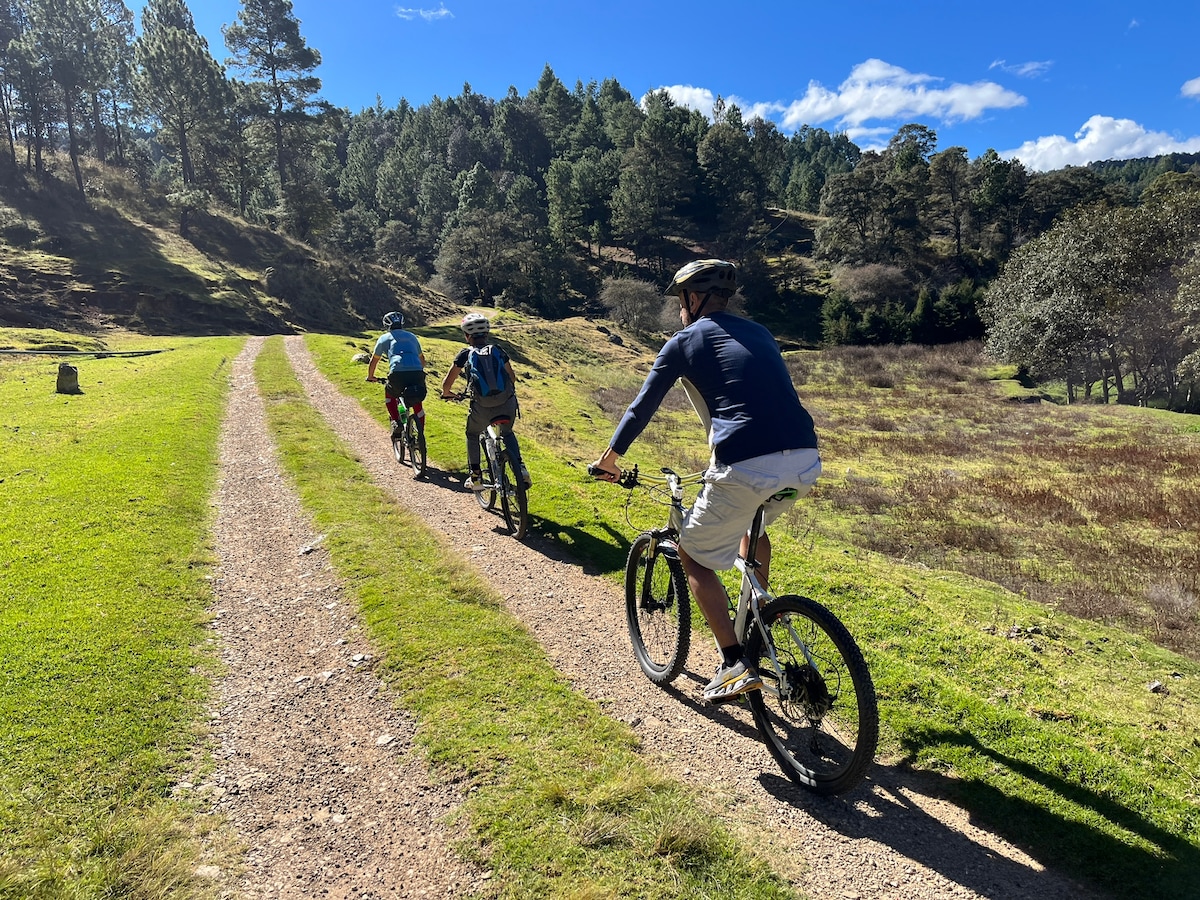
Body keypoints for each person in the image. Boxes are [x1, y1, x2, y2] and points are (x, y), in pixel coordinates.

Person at [590, 259, 821, 703]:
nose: (680, 309)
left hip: (744, 464)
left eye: (681, 300)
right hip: (805, 460)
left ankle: (735, 660)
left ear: (693, 299)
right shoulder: (761, 333)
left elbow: (642, 407)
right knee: (752, 530)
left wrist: (610, 459)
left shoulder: (684, 341)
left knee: (692, 555)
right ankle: (757, 619)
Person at [441, 313, 531, 491]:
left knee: (472, 434)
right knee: (508, 433)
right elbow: (512, 377)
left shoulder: (465, 354)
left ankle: (475, 476)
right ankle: (520, 468)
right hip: (507, 404)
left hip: (482, 408)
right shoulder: (497, 350)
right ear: (487, 334)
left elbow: (446, 385)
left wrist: (449, 394)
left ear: (467, 336)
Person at [366, 311, 427, 439]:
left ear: (386, 325)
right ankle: (420, 434)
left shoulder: (384, 338)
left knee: (390, 395)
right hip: (417, 373)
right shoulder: (412, 336)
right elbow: (422, 361)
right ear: (402, 323)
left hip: (397, 374)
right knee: (416, 400)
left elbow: (374, 360)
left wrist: (371, 376)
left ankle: (396, 421)